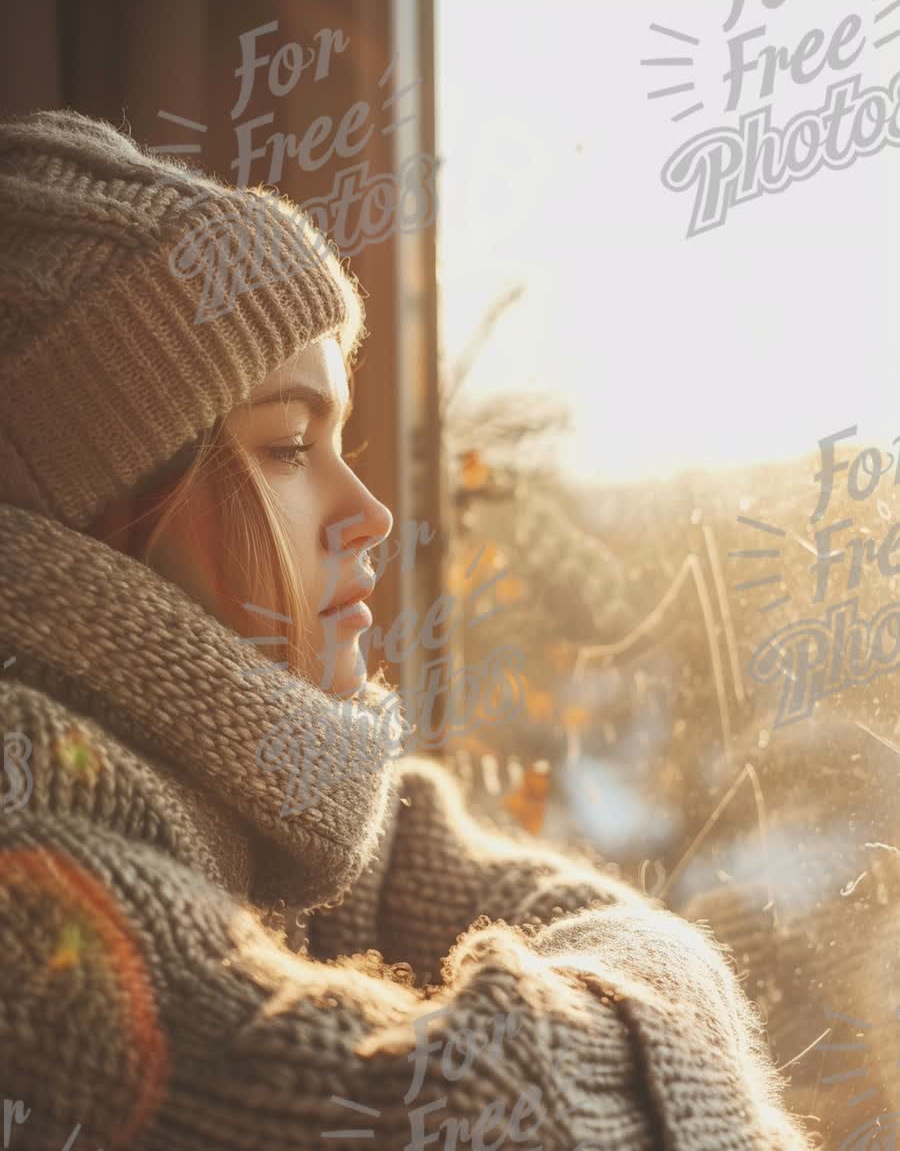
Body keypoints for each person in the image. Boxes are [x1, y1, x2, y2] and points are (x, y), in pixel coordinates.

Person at [0, 108, 813, 1150]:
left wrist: (649, 979)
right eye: (291, 445)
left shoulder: (275, 797)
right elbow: (471, 1109)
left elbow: (529, 898)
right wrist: (674, 998)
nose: (369, 511)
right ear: (92, 505)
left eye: (339, 434)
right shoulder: (29, 807)